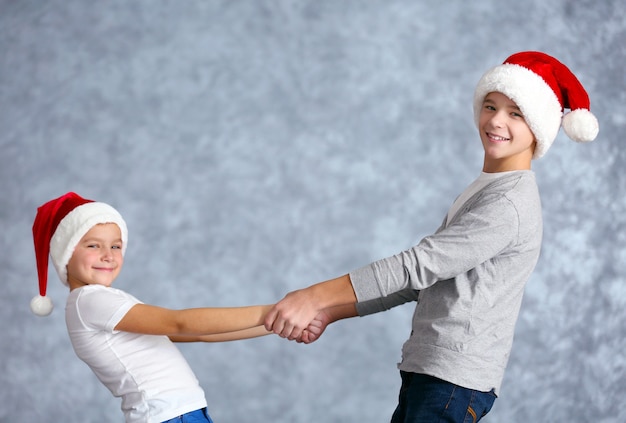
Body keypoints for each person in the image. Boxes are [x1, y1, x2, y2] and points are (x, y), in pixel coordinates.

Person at [264, 51, 599, 422]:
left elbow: (420, 265)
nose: (496, 120)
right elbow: (427, 282)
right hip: (431, 374)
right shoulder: (488, 189)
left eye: (516, 113)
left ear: (540, 126)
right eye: (490, 105)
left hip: (451, 383)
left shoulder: (508, 203)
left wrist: (314, 296)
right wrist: (331, 311)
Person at [30, 192, 272, 423]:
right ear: (65, 255)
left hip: (178, 415)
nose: (108, 255)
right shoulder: (90, 300)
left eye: (115, 246)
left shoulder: (99, 303)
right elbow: (180, 323)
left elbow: (197, 333)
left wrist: (275, 325)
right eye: (94, 246)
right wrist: (276, 310)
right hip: (171, 417)